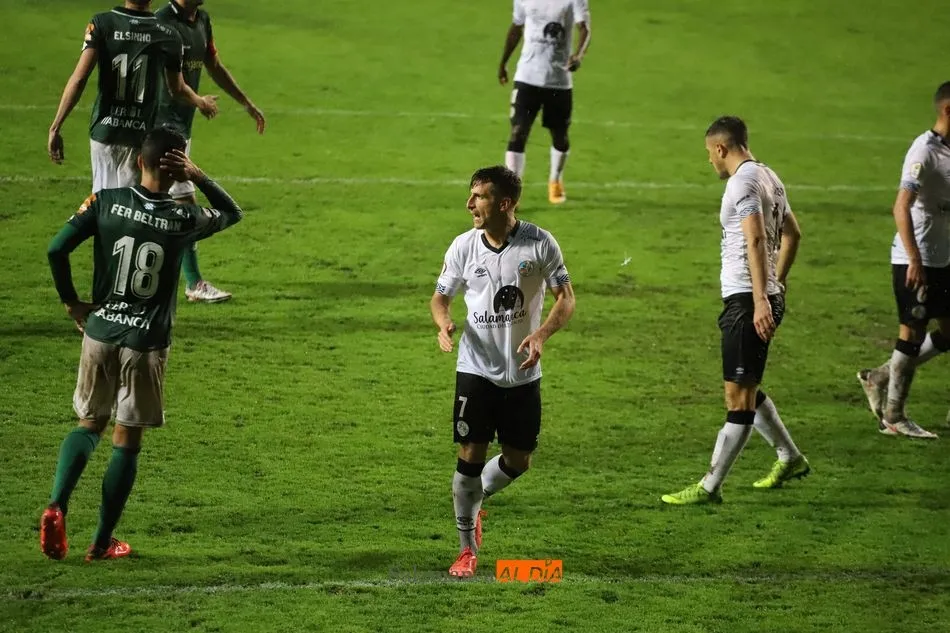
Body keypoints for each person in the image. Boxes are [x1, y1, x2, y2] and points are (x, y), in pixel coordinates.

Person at [40, 127, 243, 561]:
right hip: (145, 342)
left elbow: (56, 250)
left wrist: (72, 304)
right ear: (176, 171)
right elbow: (232, 212)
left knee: (88, 424)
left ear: (138, 162)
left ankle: (56, 504)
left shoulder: (106, 203)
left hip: (100, 330)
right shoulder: (182, 218)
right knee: (126, 439)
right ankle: (99, 543)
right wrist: (200, 176)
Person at [430, 165, 576, 577]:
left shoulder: (540, 244)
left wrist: (543, 335)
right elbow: (439, 298)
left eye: (479, 197)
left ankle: (476, 502)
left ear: (505, 203)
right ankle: (466, 550)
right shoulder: (463, 246)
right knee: (470, 455)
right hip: (475, 367)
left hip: (524, 373)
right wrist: (442, 322)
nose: (470, 204)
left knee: (519, 459)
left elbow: (566, 297)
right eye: (472, 195)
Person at [662, 116, 809, 506]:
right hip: (753, 296)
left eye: (710, 154)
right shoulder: (769, 177)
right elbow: (793, 234)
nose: (710, 161)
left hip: (749, 300)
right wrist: (779, 282)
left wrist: (762, 298)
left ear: (721, 148)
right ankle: (790, 456)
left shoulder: (742, 182)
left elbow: (757, 236)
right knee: (746, 385)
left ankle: (710, 487)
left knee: (737, 398)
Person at [156, 0, 266, 303]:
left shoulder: (202, 20)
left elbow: (213, 65)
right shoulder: (162, 21)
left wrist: (245, 102)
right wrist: (199, 101)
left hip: (181, 127)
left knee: (173, 205)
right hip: (158, 125)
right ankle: (189, 283)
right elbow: (171, 83)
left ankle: (182, 282)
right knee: (181, 204)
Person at [857, 83, 950, 440]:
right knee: (912, 334)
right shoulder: (924, 151)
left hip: (944, 256)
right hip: (918, 257)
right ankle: (894, 416)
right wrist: (913, 258)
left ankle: (879, 377)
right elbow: (901, 206)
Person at [47, 1, 218, 193]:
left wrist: (56, 127)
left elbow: (78, 80)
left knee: (101, 201)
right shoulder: (169, 35)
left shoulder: (102, 23)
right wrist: (200, 101)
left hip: (104, 133)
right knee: (131, 207)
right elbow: (177, 88)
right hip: (139, 136)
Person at [498, 0, 591, 205]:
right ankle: (512, 195)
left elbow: (584, 29)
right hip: (527, 77)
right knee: (517, 132)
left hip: (558, 81)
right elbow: (516, 26)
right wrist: (503, 62)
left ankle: (555, 179)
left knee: (560, 137)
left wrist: (578, 56)